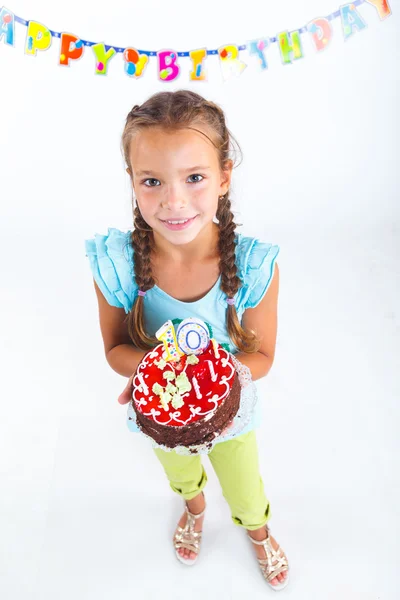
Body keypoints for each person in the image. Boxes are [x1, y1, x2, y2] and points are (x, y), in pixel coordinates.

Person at [84, 90, 289, 590]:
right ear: (132, 182)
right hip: (161, 415)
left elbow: (261, 356)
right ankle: (194, 508)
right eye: (152, 181)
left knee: (244, 484)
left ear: (223, 176)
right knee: (179, 472)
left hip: (232, 412)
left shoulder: (255, 266)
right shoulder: (118, 264)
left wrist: (212, 382)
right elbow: (116, 351)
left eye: (194, 178)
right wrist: (157, 376)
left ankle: (257, 531)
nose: (173, 201)